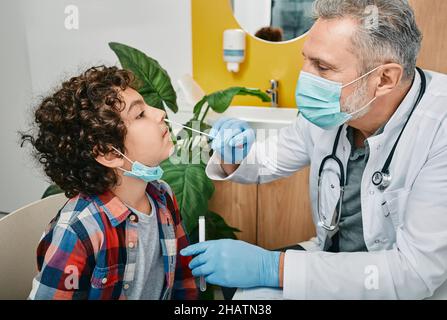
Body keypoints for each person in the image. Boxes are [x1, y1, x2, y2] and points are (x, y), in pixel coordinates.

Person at [181, 0, 447, 299]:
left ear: (384, 78)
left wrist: (273, 267)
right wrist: (234, 154)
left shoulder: (440, 128)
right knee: (248, 298)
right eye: (306, 60)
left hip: (402, 288)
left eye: (323, 67)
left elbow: (413, 272)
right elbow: (269, 159)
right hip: (328, 263)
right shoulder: (337, 110)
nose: (305, 78)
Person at [22, 66, 198, 300]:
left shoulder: (162, 197)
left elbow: (183, 284)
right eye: (140, 114)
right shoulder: (78, 231)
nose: (159, 113)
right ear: (109, 154)